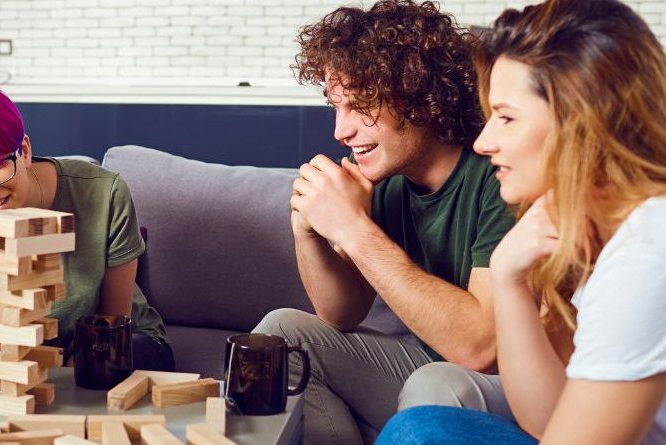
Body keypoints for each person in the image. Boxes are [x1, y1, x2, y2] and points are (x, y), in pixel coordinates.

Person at [377, 0, 666, 443]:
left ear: (582, 123)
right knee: (426, 426)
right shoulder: (596, 238)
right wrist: (509, 276)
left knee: (420, 433)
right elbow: (545, 418)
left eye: (506, 118)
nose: (484, 141)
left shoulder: (646, 253)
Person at [252, 1, 517, 443]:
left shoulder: (499, 175)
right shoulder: (390, 184)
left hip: (509, 383)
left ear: (421, 98)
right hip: (430, 368)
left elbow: (479, 348)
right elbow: (341, 313)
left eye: (358, 106)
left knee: (433, 384)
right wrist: (309, 229)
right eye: (336, 107)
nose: (340, 130)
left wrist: (355, 229)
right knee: (281, 333)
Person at [0, 81, 173, 371]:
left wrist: (62, 387)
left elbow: (111, 323)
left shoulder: (103, 192)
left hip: (117, 342)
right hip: (19, 359)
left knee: (100, 372)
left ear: (23, 150)